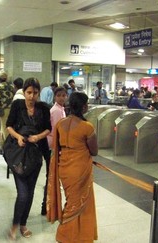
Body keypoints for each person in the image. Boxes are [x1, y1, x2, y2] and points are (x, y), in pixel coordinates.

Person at [47, 92, 98, 243]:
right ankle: (66, 235)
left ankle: (75, 235)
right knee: (79, 203)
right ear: (83, 106)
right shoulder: (87, 127)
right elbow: (94, 151)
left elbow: (56, 148)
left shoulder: (60, 124)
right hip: (80, 168)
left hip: (64, 168)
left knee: (71, 201)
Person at [6, 77, 51, 240]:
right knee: (23, 193)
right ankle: (15, 224)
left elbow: (48, 129)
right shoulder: (17, 105)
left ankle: (23, 223)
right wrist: (18, 137)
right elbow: (8, 125)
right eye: (29, 92)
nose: (31, 96)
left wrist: (38, 137)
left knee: (30, 192)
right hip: (18, 153)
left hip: (35, 154)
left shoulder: (43, 108)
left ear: (39, 93)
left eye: (35, 93)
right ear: (23, 92)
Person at [41, 87, 67, 215]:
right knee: (51, 176)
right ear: (55, 97)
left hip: (54, 145)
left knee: (51, 175)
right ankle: (46, 206)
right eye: (59, 95)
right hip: (52, 146)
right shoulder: (56, 111)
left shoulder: (61, 109)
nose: (61, 98)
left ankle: (48, 205)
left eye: (64, 95)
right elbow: (57, 131)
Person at [0, 70, 14, 154]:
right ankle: (2, 146)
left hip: (3, 110)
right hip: (11, 109)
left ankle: (6, 147)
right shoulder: (12, 87)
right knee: (6, 127)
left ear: (0, 78)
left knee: (4, 128)